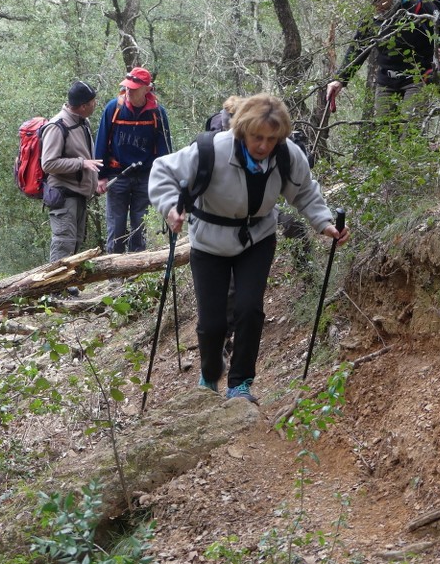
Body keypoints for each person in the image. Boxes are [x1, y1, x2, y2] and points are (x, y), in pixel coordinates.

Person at [148, 93, 350, 403]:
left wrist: (324, 223)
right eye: (257, 137)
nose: (264, 145)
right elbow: (162, 171)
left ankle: (240, 384)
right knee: (212, 322)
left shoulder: (286, 154)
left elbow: (305, 192)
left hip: (256, 239)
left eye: (271, 138)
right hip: (209, 241)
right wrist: (170, 208)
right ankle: (210, 373)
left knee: (249, 310)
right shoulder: (211, 150)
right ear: (242, 130)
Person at [326, 0, 440, 122]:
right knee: (385, 135)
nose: (376, 5)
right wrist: (340, 79)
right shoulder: (371, 16)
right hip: (386, 81)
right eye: (372, 1)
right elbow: (358, 47)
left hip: (417, 78)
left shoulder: (418, 3)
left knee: (409, 133)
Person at [94, 67, 172, 253]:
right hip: (117, 175)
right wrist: (101, 177)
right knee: (116, 226)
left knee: (140, 227)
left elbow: (164, 149)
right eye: (127, 87)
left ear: (147, 89)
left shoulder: (157, 113)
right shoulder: (114, 108)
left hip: (145, 177)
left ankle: (135, 275)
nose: (129, 91)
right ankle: (114, 277)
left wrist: (164, 179)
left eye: (134, 88)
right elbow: (101, 143)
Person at [41, 81, 102, 270]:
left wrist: (94, 183)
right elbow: (48, 163)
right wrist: (80, 163)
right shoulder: (57, 126)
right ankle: (54, 290)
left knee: (75, 242)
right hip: (63, 195)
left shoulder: (83, 123)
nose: (95, 104)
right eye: (93, 101)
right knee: (63, 242)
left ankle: (67, 286)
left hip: (79, 194)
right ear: (83, 106)